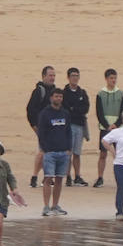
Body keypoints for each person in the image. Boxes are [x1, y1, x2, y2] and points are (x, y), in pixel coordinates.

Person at [35, 88, 72, 217]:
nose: (58, 99)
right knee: (48, 178)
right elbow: (41, 133)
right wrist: (45, 149)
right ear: (51, 98)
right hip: (49, 153)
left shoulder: (65, 113)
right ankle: (46, 206)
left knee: (59, 179)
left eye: (60, 97)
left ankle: (55, 205)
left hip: (63, 152)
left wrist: (69, 149)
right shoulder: (44, 114)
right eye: (56, 96)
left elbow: (68, 132)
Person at [25, 66, 58, 187]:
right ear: (43, 76)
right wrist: (34, 126)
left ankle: (46, 177)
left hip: (53, 128)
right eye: (50, 75)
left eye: (54, 75)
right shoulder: (39, 91)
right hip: (41, 128)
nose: (52, 78)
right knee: (43, 151)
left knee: (49, 152)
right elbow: (30, 110)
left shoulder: (55, 91)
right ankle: (35, 177)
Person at [62, 68, 91, 187]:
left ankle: (77, 176)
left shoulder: (82, 92)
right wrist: (75, 110)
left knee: (77, 153)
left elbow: (85, 108)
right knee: (68, 152)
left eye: (77, 76)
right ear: (68, 77)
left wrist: (74, 109)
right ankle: (68, 176)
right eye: (73, 75)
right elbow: (65, 109)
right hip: (68, 126)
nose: (75, 78)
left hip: (79, 125)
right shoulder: (64, 93)